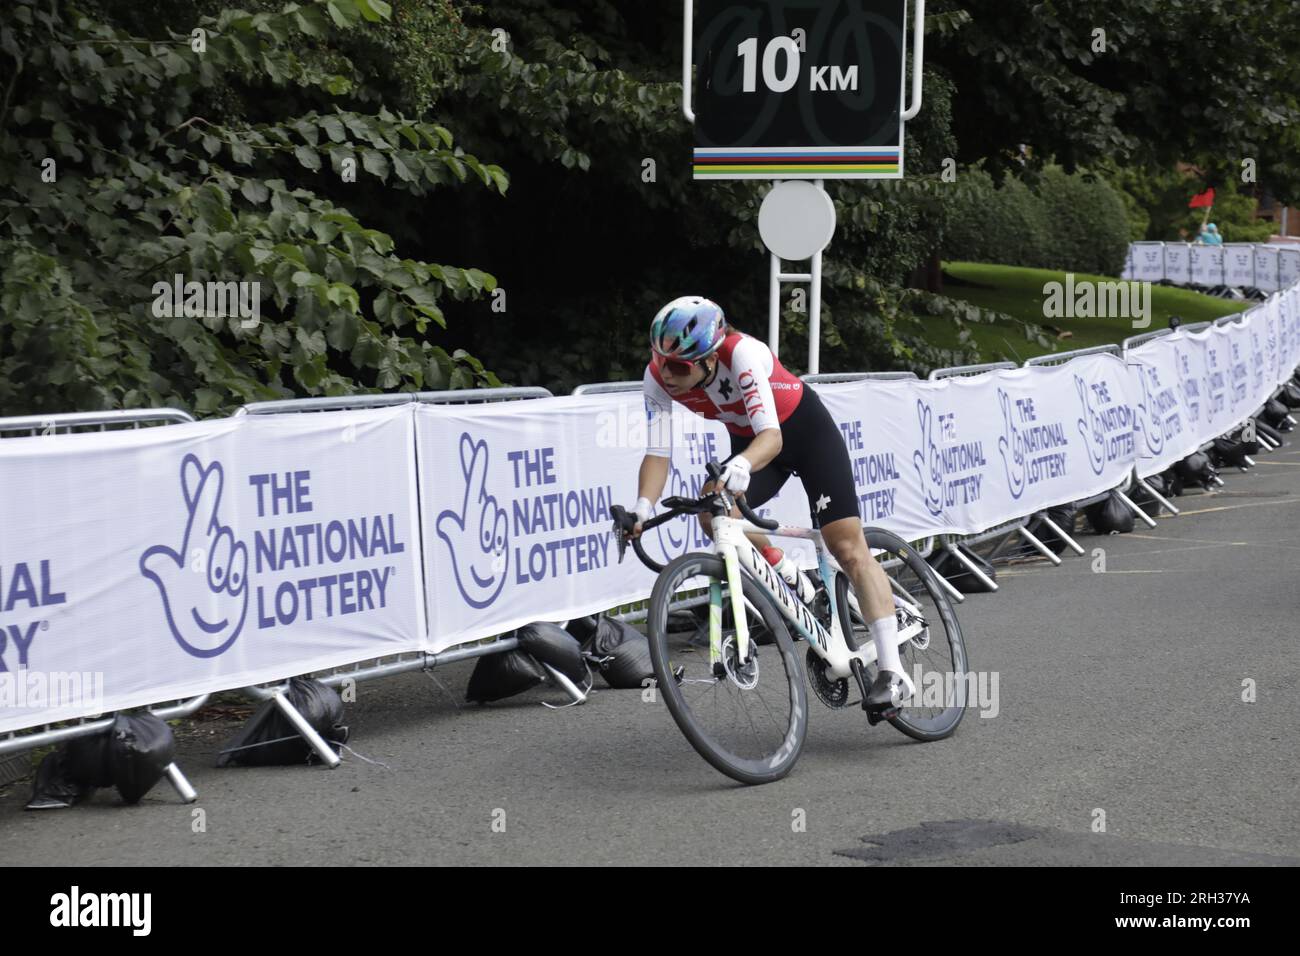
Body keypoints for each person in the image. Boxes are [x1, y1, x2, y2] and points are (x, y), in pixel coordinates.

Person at [627, 295, 913, 722]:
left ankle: (892, 672)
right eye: (661, 359)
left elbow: (772, 439)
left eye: (680, 367)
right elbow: (657, 452)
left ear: (708, 360)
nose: (668, 373)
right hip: (752, 441)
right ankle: (793, 577)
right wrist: (642, 507)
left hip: (801, 433)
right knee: (714, 511)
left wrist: (741, 463)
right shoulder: (658, 377)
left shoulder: (741, 354)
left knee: (847, 548)